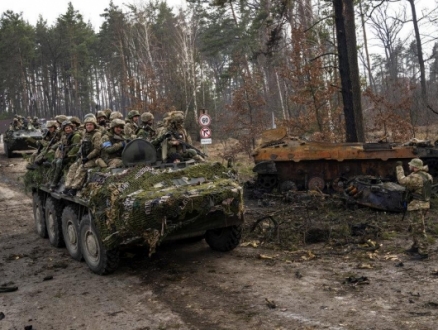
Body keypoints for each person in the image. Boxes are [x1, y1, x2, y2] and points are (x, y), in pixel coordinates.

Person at [396, 158, 433, 259]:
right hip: (424, 204)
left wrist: (399, 167)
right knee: (415, 227)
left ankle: (423, 252)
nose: (409, 166)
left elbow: (402, 181)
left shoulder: (416, 177)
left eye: (411, 165)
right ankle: (416, 246)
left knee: (419, 229)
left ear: (415, 167)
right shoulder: (427, 176)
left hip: (417, 205)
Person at [63, 116, 103, 196]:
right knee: (73, 167)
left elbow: (97, 149)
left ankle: (74, 188)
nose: (89, 126)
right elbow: (82, 146)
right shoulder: (85, 133)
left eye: (91, 125)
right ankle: (68, 186)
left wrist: (87, 157)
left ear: (94, 125)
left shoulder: (97, 134)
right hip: (84, 157)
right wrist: (80, 156)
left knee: (82, 168)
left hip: (94, 158)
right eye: (87, 125)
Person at [49, 120, 81, 190]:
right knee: (54, 162)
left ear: (72, 128)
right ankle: (52, 179)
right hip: (65, 154)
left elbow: (75, 148)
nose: (68, 129)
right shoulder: (65, 135)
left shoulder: (76, 136)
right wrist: (58, 147)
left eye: (69, 128)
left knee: (59, 162)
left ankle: (55, 182)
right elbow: (61, 143)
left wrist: (67, 155)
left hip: (72, 156)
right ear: (64, 129)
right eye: (66, 128)